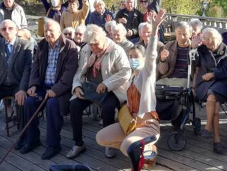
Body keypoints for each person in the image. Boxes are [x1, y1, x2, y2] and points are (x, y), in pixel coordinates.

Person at [96, 9, 166, 168]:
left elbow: (152, 55)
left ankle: (148, 150)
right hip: (131, 123)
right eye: (131, 57)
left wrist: (154, 29)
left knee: (126, 146)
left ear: (143, 59)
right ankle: (140, 146)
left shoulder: (146, 75)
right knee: (101, 138)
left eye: (136, 57)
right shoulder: (130, 77)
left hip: (148, 125)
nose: (133, 59)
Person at [67, 24, 131, 159]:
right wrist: (77, 85)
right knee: (74, 106)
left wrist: (106, 84)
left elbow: (125, 72)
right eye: (91, 44)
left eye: (96, 44)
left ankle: (110, 143)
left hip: (111, 89)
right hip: (90, 88)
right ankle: (78, 143)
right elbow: (80, 71)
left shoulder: (116, 50)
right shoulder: (86, 49)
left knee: (108, 108)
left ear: (103, 38)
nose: (94, 48)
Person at [19, 19, 78, 160]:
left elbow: (69, 74)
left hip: (61, 88)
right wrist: (32, 85)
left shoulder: (70, 46)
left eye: (51, 30)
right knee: (29, 102)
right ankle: (32, 139)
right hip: (42, 86)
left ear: (59, 31)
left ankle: (53, 144)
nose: (48, 33)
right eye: (45, 31)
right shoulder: (42, 45)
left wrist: (55, 90)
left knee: (52, 104)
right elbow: (35, 67)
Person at [193, 28, 227, 154]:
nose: (210, 42)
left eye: (213, 39)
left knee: (212, 96)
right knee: (214, 103)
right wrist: (193, 48)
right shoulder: (201, 50)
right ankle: (216, 140)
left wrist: (212, 74)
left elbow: (226, 70)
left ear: (219, 39)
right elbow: (193, 65)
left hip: (222, 82)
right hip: (204, 83)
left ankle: (209, 127)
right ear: (203, 41)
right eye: (207, 39)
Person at [0, 20, 33, 143]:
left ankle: (22, 136)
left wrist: (23, 89)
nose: (7, 31)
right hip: (2, 84)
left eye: (10, 28)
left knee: (22, 101)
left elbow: (27, 69)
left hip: (17, 84)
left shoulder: (25, 45)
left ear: (16, 29)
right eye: (3, 29)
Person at [157, 21, 193, 87]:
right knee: (154, 89)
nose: (181, 37)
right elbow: (162, 71)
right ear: (175, 33)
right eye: (179, 33)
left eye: (184, 34)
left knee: (175, 91)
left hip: (184, 79)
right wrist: (163, 60)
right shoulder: (169, 46)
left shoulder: (194, 49)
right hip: (168, 78)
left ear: (190, 34)